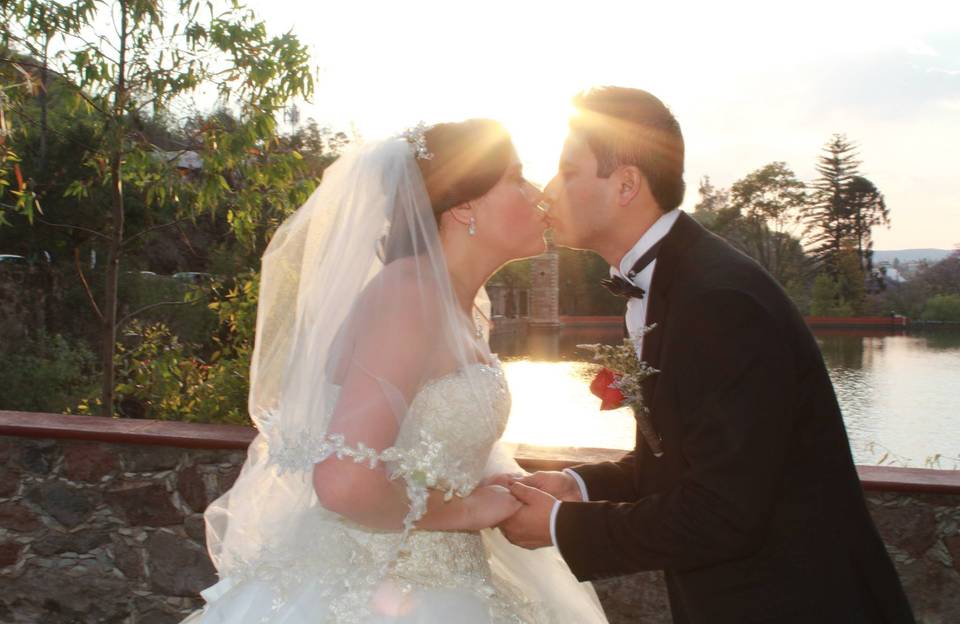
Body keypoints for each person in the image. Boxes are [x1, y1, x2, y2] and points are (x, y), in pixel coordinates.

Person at [497, 87, 916, 624]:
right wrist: (576, 486)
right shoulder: (675, 281)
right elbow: (685, 462)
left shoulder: (719, 301)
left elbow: (722, 513)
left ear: (626, 184)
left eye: (567, 171)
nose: (548, 192)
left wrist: (561, 527)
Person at [180, 119, 608, 623]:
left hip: (448, 577)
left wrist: (505, 482)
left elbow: (432, 436)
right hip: (384, 592)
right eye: (516, 177)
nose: (537, 194)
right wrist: (469, 511)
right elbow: (343, 482)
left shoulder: (456, 305)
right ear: (464, 205)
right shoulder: (409, 298)